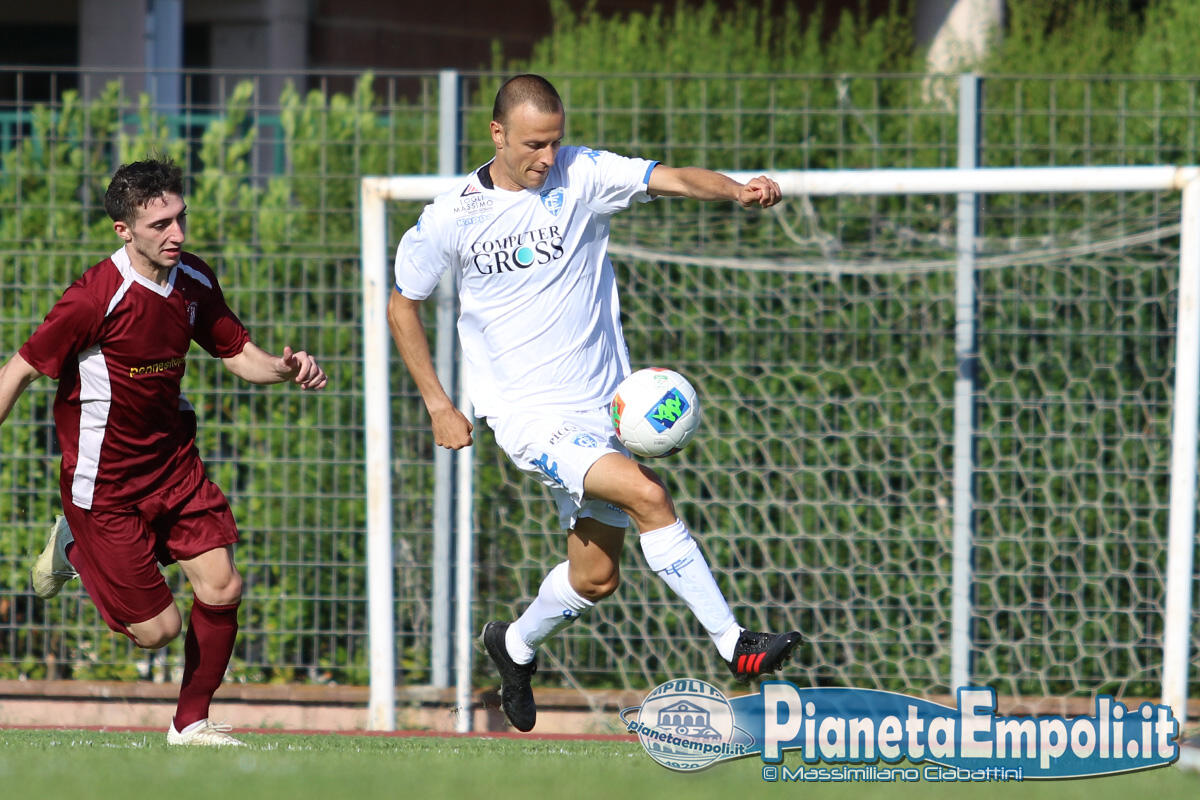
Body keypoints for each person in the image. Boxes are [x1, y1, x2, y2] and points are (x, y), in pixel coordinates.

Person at [388, 74, 801, 733]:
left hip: (602, 413)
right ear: (497, 134)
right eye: (533, 144)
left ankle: (514, 645)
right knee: (648, 495)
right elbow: (401, 305)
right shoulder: (451, 217)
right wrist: (439, 404)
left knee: (596, 578)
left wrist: (735, 188)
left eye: (555, 141)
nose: (547, 157)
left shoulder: (582, 175)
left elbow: (673, 177)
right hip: (527, 417)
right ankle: (734, 644)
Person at [0, 158, 327, 746]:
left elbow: (237, 352)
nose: (177, 233)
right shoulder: (93, 298)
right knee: (158, 631)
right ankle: (75, 546)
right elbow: (19, 370)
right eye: (160, 225)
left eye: (180, 217)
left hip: (173, 464)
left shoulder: (193, 278)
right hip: (104, 484)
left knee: (223, 586)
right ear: (124, 230)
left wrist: (284, 369)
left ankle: (189, 723)